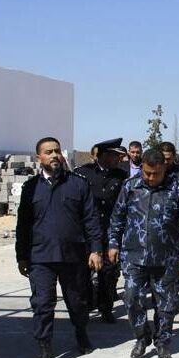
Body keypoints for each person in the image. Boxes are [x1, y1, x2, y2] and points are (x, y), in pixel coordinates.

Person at [15, 137, 103, 358]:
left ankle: (81, 333)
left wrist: (95, 249)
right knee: (42, 304)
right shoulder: (30, 188)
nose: (54, 155)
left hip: (73, 256)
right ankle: (45, 347)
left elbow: (91, 219)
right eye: (48, 152)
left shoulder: (78, 184)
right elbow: (23, 225)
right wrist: (21, 256)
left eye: (57, 151)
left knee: (77, 302)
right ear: (39, 158)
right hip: (40, 257)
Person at [107, 149, 179, 358]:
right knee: (131, 298)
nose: (150, 178)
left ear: (164, 169)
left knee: (166, 304)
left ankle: (163, 342)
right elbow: (117, 217)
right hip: (134, 256)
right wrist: (113, 244)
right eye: (146, 173)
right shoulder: (130, 186)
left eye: (155, 174)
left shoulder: (177, 188)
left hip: (166, 258)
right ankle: (141, 337)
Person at [74, 138, 128, 323]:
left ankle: (106, 308)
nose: (119, 159)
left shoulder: (121, 176)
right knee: (83, 271)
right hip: (87, 232)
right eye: (115, 156)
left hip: (110, 232)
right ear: (104, 155)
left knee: (109, 272)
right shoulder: (82, 173)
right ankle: (88, 303)